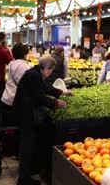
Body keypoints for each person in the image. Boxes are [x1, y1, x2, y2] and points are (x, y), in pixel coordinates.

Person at [14, 56, 68, 185]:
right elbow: (40, 97)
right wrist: (56, 103)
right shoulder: (34, 76)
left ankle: (27, 172)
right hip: (26, 115)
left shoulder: (35, 73)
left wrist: (61, 93)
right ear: (47, 68)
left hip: (25, 113)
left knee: (29, 145)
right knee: (27, 146)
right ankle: (24, 179)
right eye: (50, 70)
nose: (50, 73)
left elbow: (44, 88)